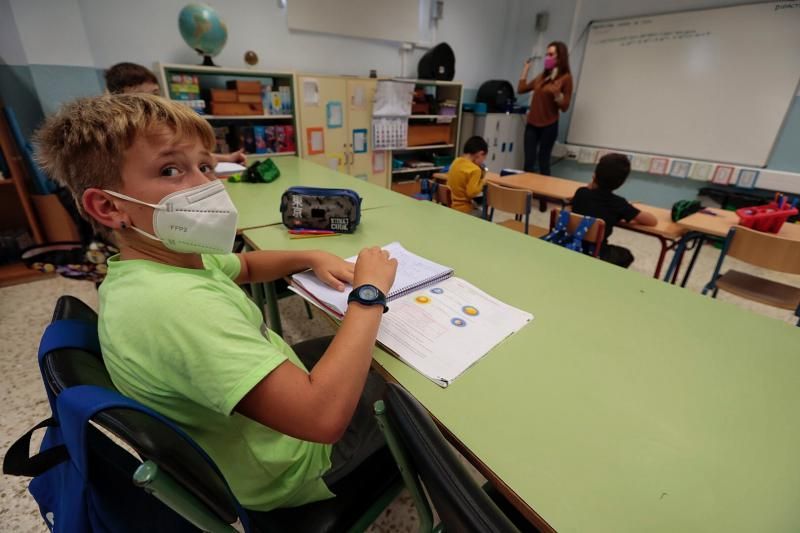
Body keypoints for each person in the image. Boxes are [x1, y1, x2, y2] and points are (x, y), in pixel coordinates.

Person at [34, 94, 399, 518]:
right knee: (408, 389)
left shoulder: (163, 261)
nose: (206, 186)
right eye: (171, 170)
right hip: (292, 467)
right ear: (109, 206)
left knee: (362, 351)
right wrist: (369, 293)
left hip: (254, 434)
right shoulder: (175, 307)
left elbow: (242, 265)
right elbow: (322, 419)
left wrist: (309, 256)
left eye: (205, 166)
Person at [104, 62, 246, 165]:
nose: (155, 103)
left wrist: (227, 158)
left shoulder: (158, 123)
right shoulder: (118, 133)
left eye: (156, 94)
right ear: (120, 98)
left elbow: (186, 154)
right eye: (142, 98)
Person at [571, 153, 657, 268]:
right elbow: (652, 221)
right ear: (621, 183)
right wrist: (627, 209)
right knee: (626, 255)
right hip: (595, 253)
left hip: (569, 245)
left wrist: (593, 184)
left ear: (594, 175)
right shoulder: (618, 203)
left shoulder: (581, 192)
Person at [518, 41, 573, 176]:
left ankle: (544, 196)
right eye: (547, 54)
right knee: (528, 162)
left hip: (549, 125)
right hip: (532, 124)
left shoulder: (566, 78)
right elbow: (521, 89)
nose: (547, 57)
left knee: (543, 162)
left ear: (560, 57)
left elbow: (565, 107)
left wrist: (557, 95)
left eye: (551, 54)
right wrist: (526, 69)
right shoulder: (541, 77)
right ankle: (525, 194)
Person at [446, 136, 488, 214]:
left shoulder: (456, 161)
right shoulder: (475, 170)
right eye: (484, 158)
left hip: (451, 206)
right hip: (464, 209)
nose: (483, 162)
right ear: (480, 153)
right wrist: (483, 182)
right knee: (484, 215)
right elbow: (471, 193)